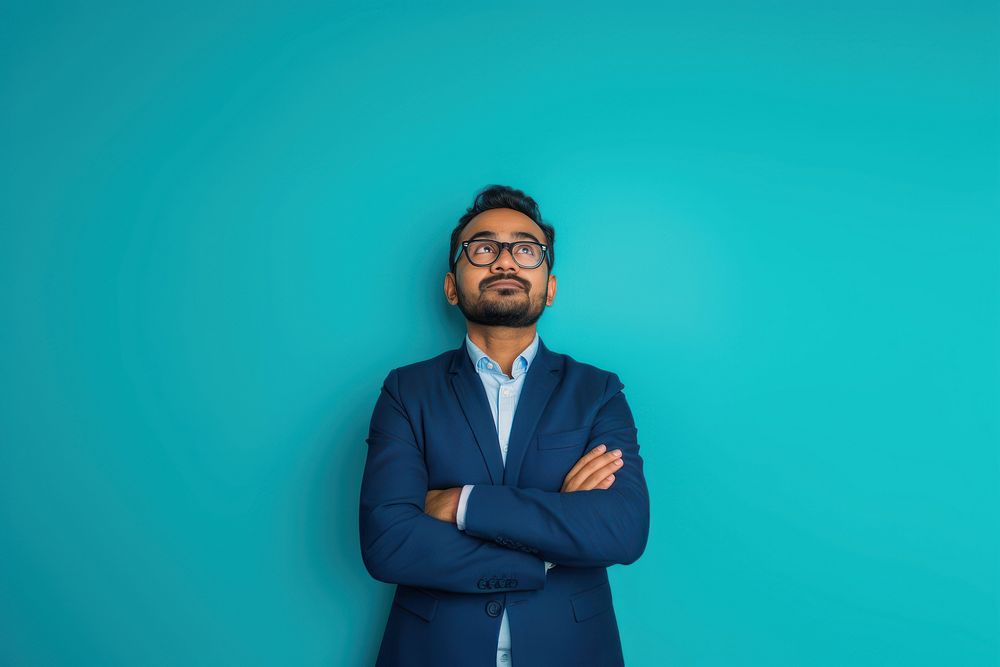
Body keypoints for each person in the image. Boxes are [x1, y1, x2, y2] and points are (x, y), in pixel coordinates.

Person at [359, 184, 650, 666]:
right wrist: (552, 541)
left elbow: (621, 530)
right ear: (451, 285)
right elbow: (389, 544)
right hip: (433, 652)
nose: (504, 262)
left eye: (526, 249)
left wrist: (462, 502)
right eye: (484, 248)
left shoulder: (597, 392)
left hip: (572, 651)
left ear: (550, 287)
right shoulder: (406, 391)